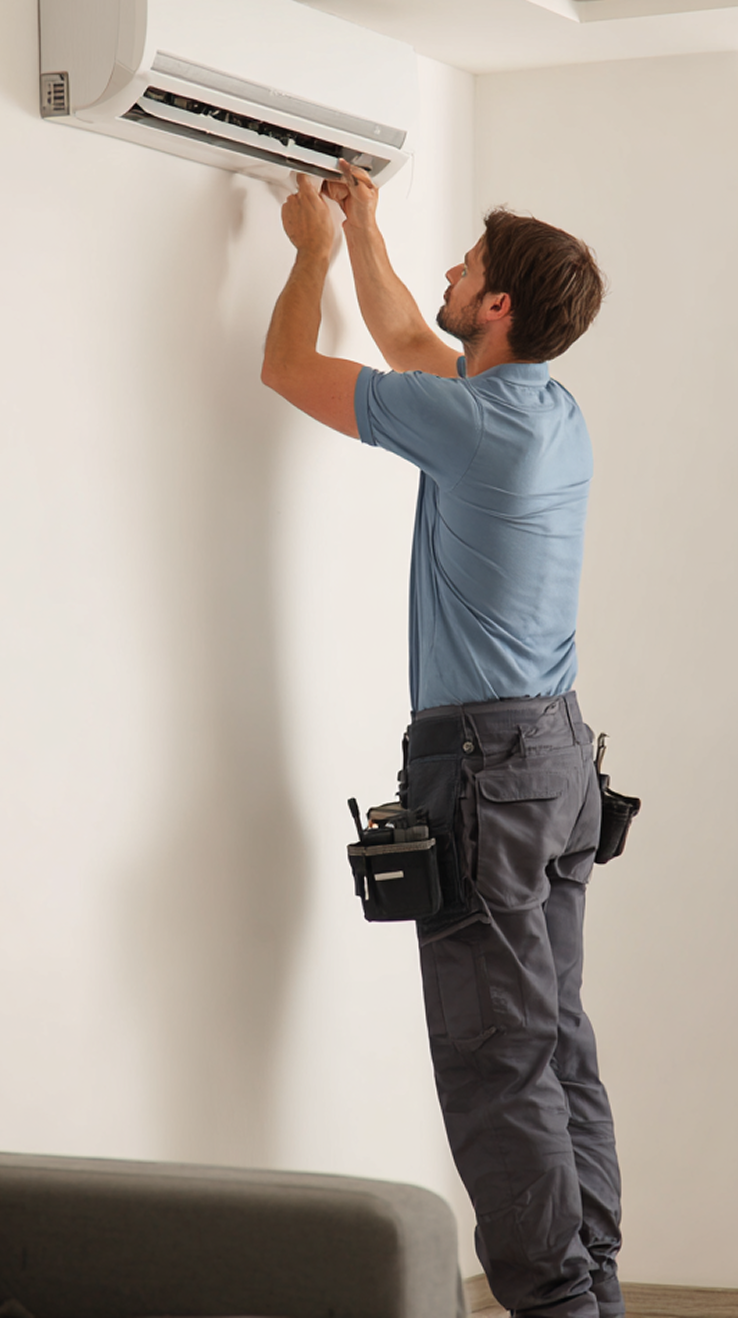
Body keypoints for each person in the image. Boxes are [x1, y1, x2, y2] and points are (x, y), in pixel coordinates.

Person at [261, 162, 622, 1318]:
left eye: (468, 262)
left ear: (502, 307)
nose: (451, 271)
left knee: (494, 1060)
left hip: (487, 771)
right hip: (555, 762)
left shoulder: (473, 425)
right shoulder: (541, 411)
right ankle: (592, 1295)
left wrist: (308, 254)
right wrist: (364, 230)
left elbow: (286, 369)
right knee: (554, 1045)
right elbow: (413, 336)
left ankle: (556, 1307)